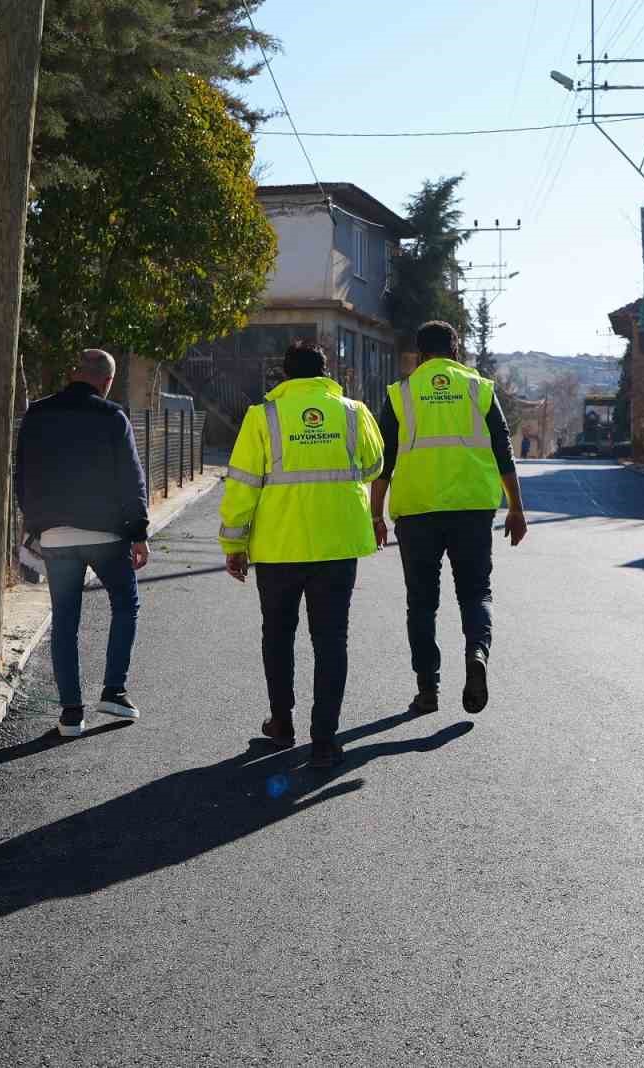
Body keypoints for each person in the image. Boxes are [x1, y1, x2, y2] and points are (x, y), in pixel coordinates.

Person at [218, 340, 385, 769]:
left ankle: (282, 722)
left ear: (285, 375)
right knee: (331, 640)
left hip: (279, 547)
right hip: (337, 544)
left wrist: (235, 544)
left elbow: (242, 484)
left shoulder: (263, 417)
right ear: (327, 372)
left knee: (278, 635)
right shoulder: (354, 412)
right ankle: (325, 737)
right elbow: (373, 465)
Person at [370, 320, 527, 719]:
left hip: (417, 511)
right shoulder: (478, 388)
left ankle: (428, 690)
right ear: (456, 352)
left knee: (421, 605)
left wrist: (375, 514)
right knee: (476, 594)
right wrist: (516, 507)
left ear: (419, 355)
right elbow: (503, 449)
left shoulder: (401, 393)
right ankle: (476, 652)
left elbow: (383, 459)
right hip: (472, 508)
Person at [15, 348, 151, 738]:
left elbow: (22, 475)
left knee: (65, 621)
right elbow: (131, 478)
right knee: (125, 603)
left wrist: (36, 525)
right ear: (107, 382)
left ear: (74, 373)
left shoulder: (37, 414)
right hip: (107, 533)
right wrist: (138, 532)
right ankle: (114, 690)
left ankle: (71, 714)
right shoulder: (111, 417)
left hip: (56, 536)